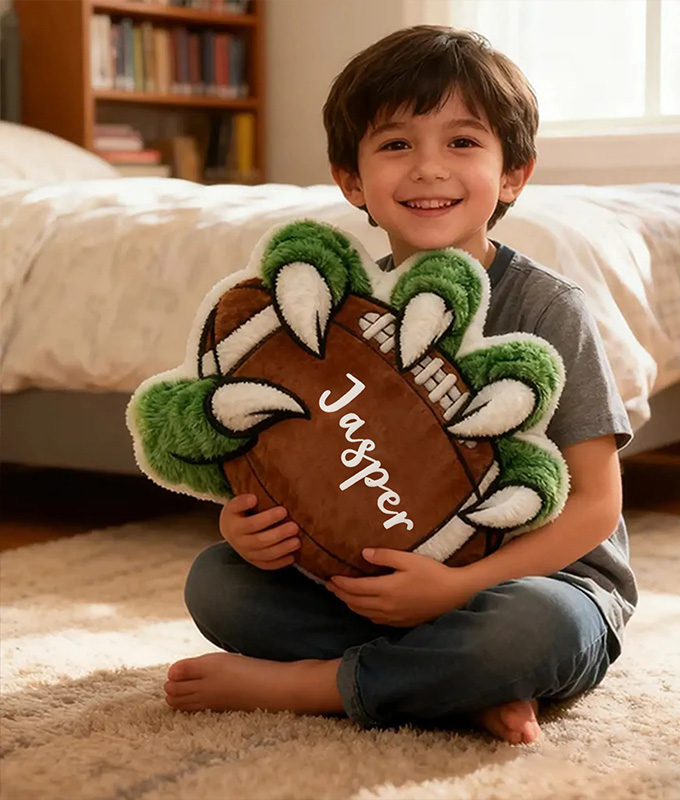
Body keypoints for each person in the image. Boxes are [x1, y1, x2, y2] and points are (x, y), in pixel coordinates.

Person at [164, 25, 638, 746]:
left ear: (514, 174)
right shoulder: (331, 309)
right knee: (218, 583)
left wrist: (454, 589)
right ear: (350, 180)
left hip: (538, 586)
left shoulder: (547, 308)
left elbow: (597, 507)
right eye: (395, 145)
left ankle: (324, 685)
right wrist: (248, 527)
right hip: (367, 582)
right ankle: (456, 687)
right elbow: (300, 463)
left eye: (462, 142)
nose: (427, 169)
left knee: (529, 631)